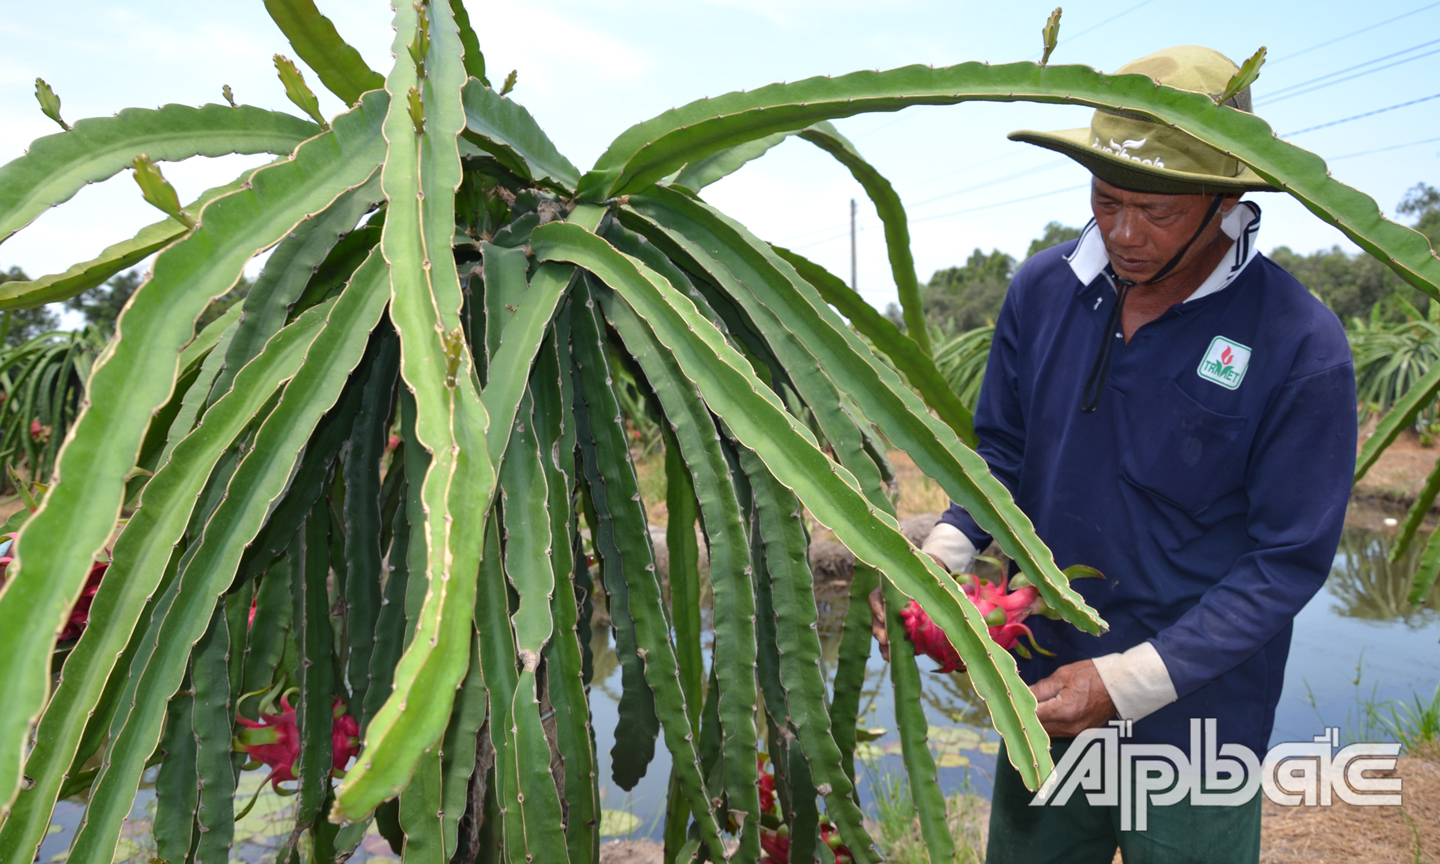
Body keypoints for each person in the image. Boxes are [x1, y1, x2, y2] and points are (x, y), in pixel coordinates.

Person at [871, 46, 1356, 863]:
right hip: (1050, 681)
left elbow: (1285, 563)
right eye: (1106, 199)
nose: (1125, 233)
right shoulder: (1042, 290)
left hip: (1200, 709)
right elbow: (1004, 455)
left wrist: (1123, 685)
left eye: (1158, 212)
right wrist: (939, 568)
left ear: (1227, 199)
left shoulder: (1298, 342)